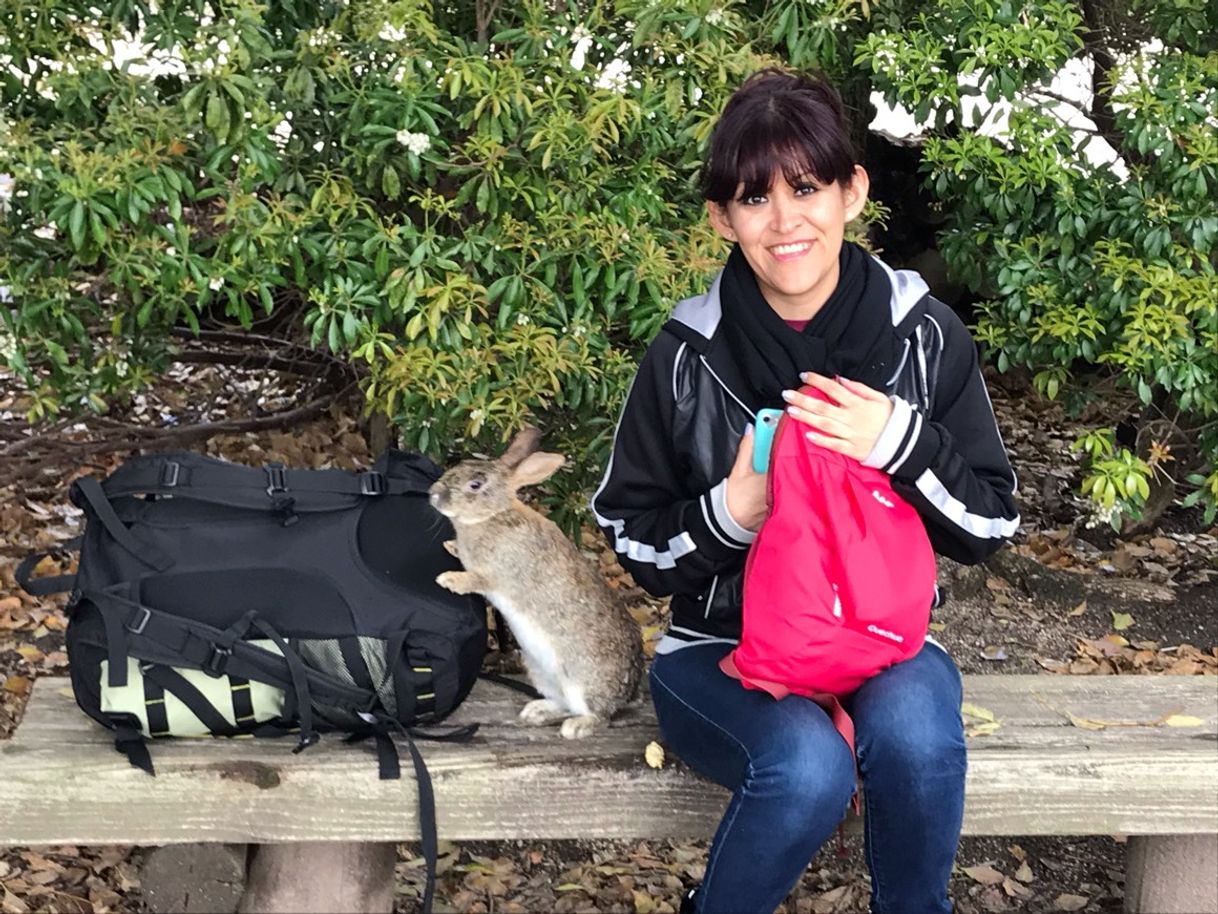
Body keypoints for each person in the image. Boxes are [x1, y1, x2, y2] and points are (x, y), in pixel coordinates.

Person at [590, 68, 1020, 914]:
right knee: (806, 767)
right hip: (716, 652)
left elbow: (992, 523)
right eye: (754, 199)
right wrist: (731, 513)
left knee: (919, 738)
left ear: (852, 192)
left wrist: (901, 443)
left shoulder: (924, 337)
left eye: (808, 187)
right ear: (722, 218)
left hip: (883, 640)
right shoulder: (688, 352)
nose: (786, 221)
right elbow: (631, 536)